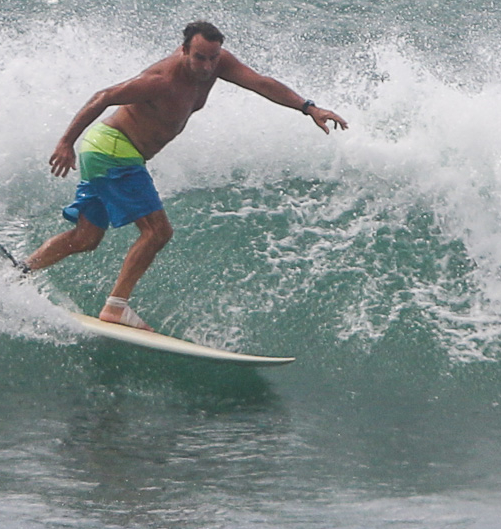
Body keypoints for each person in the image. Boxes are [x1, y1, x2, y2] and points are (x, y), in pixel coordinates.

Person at [22, 20, 348, 331]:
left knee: (86, 238)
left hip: (110, 154)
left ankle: (21, 271)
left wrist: (309, 107)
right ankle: (116, 307)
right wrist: (66, 141)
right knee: (157, 232)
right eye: (199, 58)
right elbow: (104, 96)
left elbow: (261, 83)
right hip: (112, 151)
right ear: (183, 51)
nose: (207, 66)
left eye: (213, 58)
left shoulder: (217, 64)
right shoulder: (161, 80)